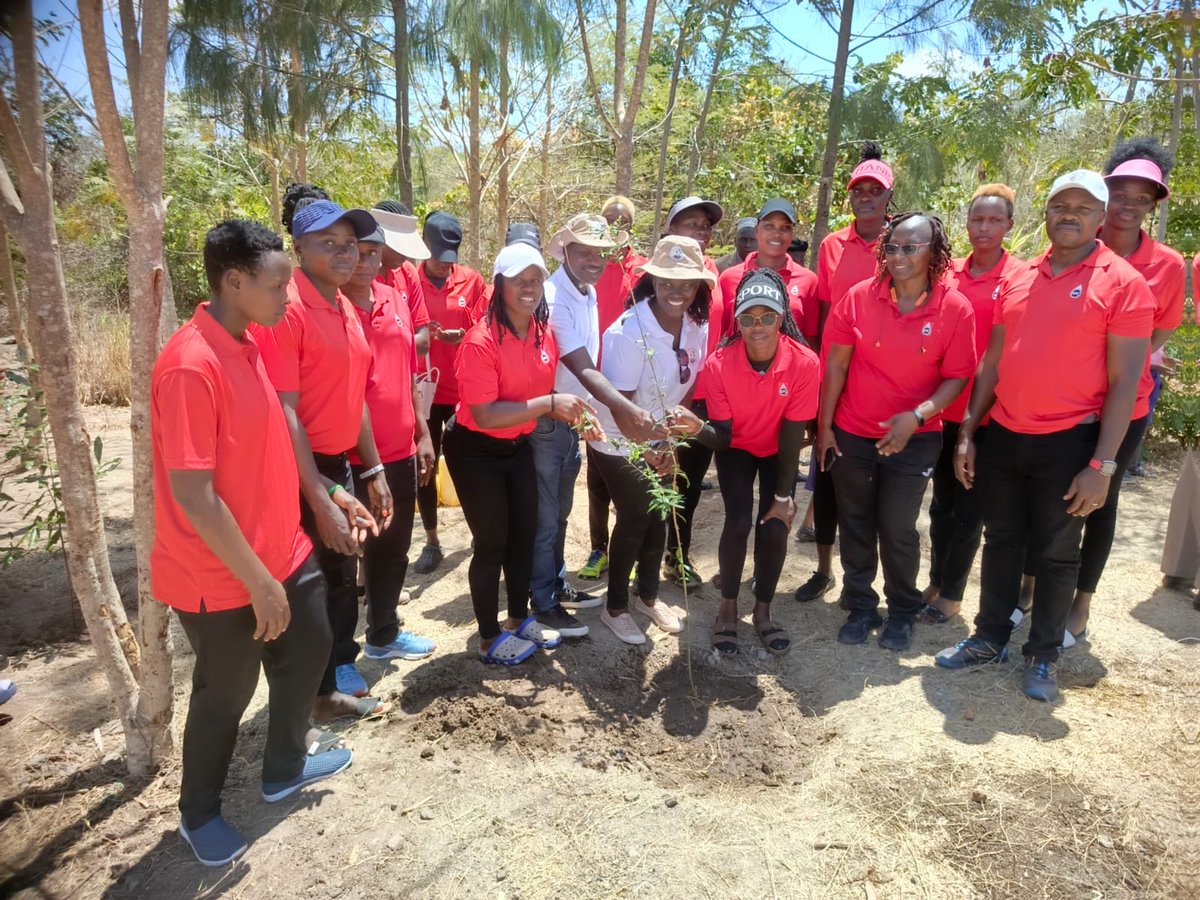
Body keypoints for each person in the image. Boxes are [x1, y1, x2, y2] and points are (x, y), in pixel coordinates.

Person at [153, 220, 362, 866]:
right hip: (217, 574)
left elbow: (271, 446)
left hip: (282, 549)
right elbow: (195, 497)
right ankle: (199, 813)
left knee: (311, 640)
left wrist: (327, 494)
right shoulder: (191, 365)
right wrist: (256, 582)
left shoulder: (250, 343)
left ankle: (285, 767)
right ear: (233, 281)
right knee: (226, 691)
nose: (288, 297)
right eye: (278, 285)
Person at [938, 170, 1154, 702]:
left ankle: (1043, 657)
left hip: (1071, 440)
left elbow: (1126, 382)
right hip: (1006, 434)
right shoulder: (1020, 275)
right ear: (1047, 213)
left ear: (1101, 218)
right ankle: (989, 638)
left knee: (1057, 554)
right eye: (1061, 205)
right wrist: (969, 430)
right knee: (1002, 540)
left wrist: (1103, 466)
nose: (1070, 214)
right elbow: (993, 361)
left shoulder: (1123, 282)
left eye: (1083, 207)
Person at [1019, 139, 1185, 643]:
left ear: (1153, 206)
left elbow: (1156, 334)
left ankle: (1081, 605)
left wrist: (1115, 362)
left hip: (1123, 402)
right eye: (1122, 193)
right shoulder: (1070, 242)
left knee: (1099, 499)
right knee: (1044, 493)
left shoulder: (1168, 266)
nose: (1130, 205)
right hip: (1059, 401)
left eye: (1144, 198)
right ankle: (1027, 589)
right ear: (1104, 193)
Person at [251, 187, 393, 721]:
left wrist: (370, 468)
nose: (345, 253)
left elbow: (352, 395)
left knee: (338, 579)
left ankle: (325, 688)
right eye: (328, 242)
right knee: (305, 591)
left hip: (335, 468)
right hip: (293, 473)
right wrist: (318, 497)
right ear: (297, 247)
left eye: (351, 243)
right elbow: (284, 413)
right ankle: (300, 705)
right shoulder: (288, 311)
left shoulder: (344, 306)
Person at [818, 212, 976, 651]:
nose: (899, 256)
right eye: (892, 247)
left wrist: (918, 416)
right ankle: (860, 603)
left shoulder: (955, 307)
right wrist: (825, 426)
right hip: (853, 430)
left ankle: (902, 610)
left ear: (935, 253)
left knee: (897, 525)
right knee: (855, 519)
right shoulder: (858, 298)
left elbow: (958, 377)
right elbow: (836, 364)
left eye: (911, 247)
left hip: (915, 437)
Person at [443, 243, 599, 664]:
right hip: (476, 448)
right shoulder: (479, 341)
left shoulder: (542, 331)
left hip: (517, 445)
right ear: (499, 286)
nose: (528, 288)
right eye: (518, 280)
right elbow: (487, 414)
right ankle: (488, 637)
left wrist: (574, 414)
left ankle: (517, 619)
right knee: (493, 541)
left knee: (524, 534)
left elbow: (534, 396)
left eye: (535, 280)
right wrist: (550, 403)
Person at [531, 214, 665, 637]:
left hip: (574, 419)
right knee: (546, 516)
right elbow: (581, 365)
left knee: (561, 511)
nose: (594, 259)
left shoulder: (584, 290)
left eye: (600, 252)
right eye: (584, 250)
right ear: (565, 250)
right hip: (549, 421)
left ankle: (555, 584)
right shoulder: (553, 295)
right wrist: (621, 407)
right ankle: (544, 601)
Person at [686, 267, 821, 655]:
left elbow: (794, 433)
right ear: (737, 320)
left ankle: (763, 611)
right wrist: (696, 428)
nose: (757, 325)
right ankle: (728, 607)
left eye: (767, 317)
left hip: (780, 446)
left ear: (782, 318)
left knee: (775, 525)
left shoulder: (804, 363)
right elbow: (723, 438)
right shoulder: (717, 364)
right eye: (747, 317)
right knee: (739, 521)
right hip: (738, 448)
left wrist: (783, 496)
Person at [591, 235, 712, 645]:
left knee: (661, 513)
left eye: (686, 283)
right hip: (617, 438)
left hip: (661, 439)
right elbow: (621, 408)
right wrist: (651, 450)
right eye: (666, 282)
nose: (676, 291)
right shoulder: (629, 332)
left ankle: (648, 596)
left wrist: (670, 446)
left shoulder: (698, 327)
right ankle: (615, 607)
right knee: (637, 514)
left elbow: (687, 392)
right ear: (652, 282)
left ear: (699, 286)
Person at [919, 184, 1023, 624]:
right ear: (967, 223)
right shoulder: (949, 274)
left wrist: (974, 422)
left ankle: (953, 595)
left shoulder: (1019, 277)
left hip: (987, 416)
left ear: (1008, 226)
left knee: (969, 509)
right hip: (943, 409)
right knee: (942, 504)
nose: (984, 228)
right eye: (977, 219)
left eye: (994, 220)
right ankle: (939, 579)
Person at [798, 142, 894, 604]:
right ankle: (823, 568)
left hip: (886, 380)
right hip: (836, 374)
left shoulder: (902, 243)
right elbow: (819, 318)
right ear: (851, 197)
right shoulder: (833, 245)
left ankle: (873, 580)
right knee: (829, 469)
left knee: (879, 482)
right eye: (860, 190)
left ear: (888, 198)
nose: (868, 197)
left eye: (877, 191)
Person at [341, 225, 438, 661]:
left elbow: (406, 373)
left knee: (394, 547)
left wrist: (422, 431)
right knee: (345, 560)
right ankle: (340, 656)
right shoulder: (333, 305)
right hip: (349, 455)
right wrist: (370, 463)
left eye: (373, 252)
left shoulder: (394, 298)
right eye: (357, 252)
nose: (365, 261)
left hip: (400, 448)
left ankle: (383, 632)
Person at [412, 211, 486, 576]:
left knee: (469, 465)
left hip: (464, 390)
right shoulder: (408, 281)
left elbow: (485, 324)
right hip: (424, 391)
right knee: (424, 465)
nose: (444, 266)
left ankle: (479, 531)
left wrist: (464, 334)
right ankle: (432, 540)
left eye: (450, 260)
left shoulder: (471, 281)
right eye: (438, 257)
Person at [581, 195, 647, 581]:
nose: (615, 225)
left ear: (631, 227)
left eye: (622, 221)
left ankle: (632, 550)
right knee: (597, 473)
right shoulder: (591, 265)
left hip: (632, 382)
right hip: (593, 379)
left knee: (631, 470)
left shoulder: (641, 270)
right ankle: (598, 548)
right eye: (609, 219)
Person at [661, 196, 726, 587]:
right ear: (671, 229)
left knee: (686, 484)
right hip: (659, 396)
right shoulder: (650, 271)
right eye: (691, 223)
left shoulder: (716, 272)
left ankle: (676, 555)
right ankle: (638, 555)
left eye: (705, 226)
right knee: (648, 478)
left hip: (702, 398)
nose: (700, 231)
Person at [718, 198, 818, 344]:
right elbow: (717, 334)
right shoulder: (729, 278)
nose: (776, 234)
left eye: (785, 227)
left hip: (790, 366)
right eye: (769, 226)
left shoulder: (808, 281)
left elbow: (811, 340)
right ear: (757, 230)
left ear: (792, 234)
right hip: (737, 365)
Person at [370, 200, 432, 359]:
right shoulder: (358, 276)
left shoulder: (408, 272)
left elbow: (423, 343)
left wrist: (382, 341)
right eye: (399, 246)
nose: (404, 254)